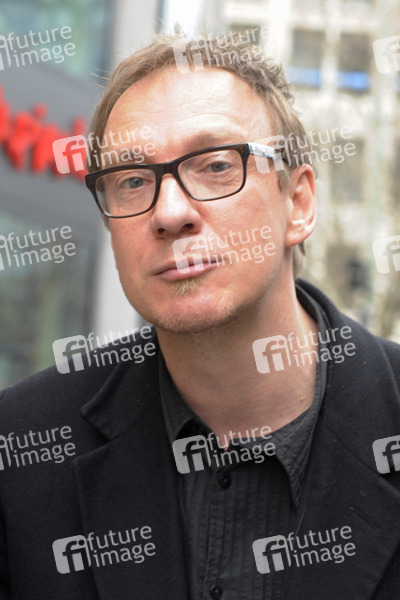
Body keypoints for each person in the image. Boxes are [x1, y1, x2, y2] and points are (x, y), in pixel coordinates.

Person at [1, 33, 400, 600]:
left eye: (215, 165)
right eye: (132, 180)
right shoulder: (20, 447)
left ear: (298, 203)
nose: (169, 213)